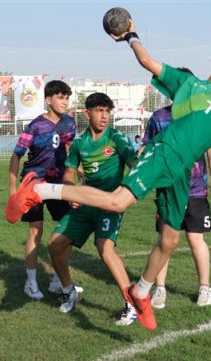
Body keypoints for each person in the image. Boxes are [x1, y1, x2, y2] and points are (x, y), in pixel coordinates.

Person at [6, 21, 211, 331]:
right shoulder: (191, 84)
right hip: (165, 151)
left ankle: (141, 292)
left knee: (171, 240)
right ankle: (40, 190)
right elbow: (148, 61)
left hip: (183, 170)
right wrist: (130, 36)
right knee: (117, 202)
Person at [46, 92, 138, 319]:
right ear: (87, 113)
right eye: (99, 111)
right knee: (54, 244)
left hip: (109, 204)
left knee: (105, 248)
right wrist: (71, 194)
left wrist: (121, 193)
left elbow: (136, 167)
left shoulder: (117, 139)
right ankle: (68, 292)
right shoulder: (79, 143)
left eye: (107, 111)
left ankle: (132, 305)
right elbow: (68, 174)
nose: (104, 116)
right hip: (85, 203)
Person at [140, 69, 211, 310]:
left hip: (196, 190)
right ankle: (160, 289)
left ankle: (205, 288)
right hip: (167, 189)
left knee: (196, 239)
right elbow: (147, 148)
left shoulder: (201, 115)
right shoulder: (159, 118)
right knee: (165, 239)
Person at [8, 80, 77, 300]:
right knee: (35, 229)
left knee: (68, 229)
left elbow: (71, 152)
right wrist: (12, 190)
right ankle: (30, 282)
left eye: (67, 97)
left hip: (57, 184)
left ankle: (59, 279)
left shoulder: (70, 124)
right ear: (48, 100)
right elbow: (16, 155)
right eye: (60, 97)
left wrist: (76, 179)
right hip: (33, 184)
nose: (64, 101)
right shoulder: (36, 126)